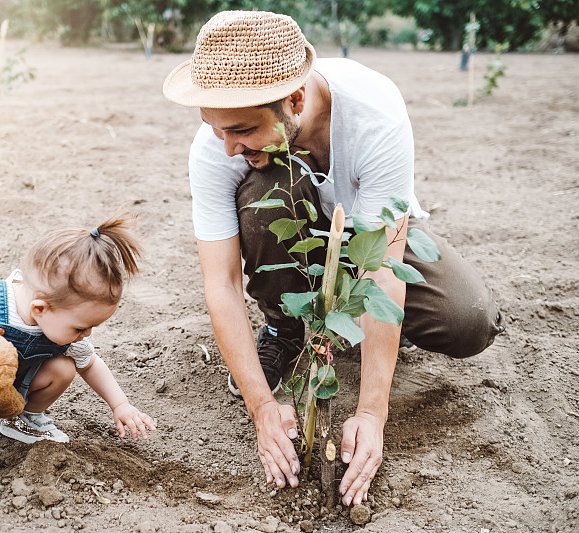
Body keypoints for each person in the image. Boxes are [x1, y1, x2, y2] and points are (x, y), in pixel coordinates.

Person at [163, 11, 504, 506]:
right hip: (291, 238)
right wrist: (262, 406)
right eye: (215, 129)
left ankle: (368, 329)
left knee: (468, 319)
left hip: (368, 235)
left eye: (242, 130)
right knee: (265, 191)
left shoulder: (374, 112)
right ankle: (285, 325)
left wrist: (371, 414)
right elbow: (221, 284)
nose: (228, 147)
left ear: (295, 99)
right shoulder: (219, 145)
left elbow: (381, 268)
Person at [0, 212, 157, 511]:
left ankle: (24, 419)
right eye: (81, 327)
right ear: (40, 308)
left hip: (10, 394)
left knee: (64, 367)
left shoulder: (66, 325)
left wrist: (120, 405)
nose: (87, 334)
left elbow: (90, 364)